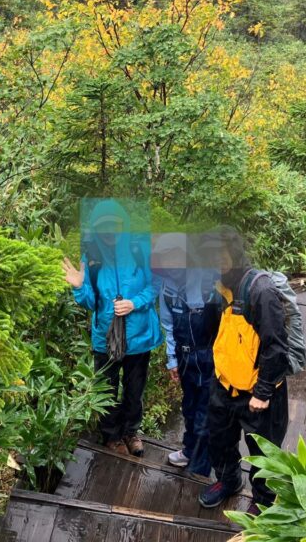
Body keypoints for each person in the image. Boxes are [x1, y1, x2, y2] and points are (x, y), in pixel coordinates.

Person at [197, 227, 290, 516]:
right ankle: (228, 480)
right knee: (219, 440)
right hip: (224, 386)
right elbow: (217, 334)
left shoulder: (260, 291)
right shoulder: (218, 287)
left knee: (262, 451)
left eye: (220, 255)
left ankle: (262, 499)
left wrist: (262, 392)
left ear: (235, 254)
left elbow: (276, 347)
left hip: (258, 394)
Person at [62, 199, 161, 457]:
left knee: (134, 388)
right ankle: (111, 435)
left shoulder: (140, 251)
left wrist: (133, 303)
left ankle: (130, 431)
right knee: (106, 388)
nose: (109, 232)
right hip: (105, 337)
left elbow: (155, 287)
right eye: (103, 227)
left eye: (114, 226)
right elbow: (91, 302)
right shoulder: (92, 257)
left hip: (138, 337)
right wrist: (78, 287)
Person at [154, 233, 219, 477]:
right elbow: (168, 325)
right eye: (166, 256)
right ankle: (190, 450)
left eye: (176, 255)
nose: (171, 262)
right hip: (185, 358)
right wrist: (172, 360)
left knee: (205, 410)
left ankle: (201, 468)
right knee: (189, 406)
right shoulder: (166, 287)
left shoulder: (207, 281)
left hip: (209, 357)